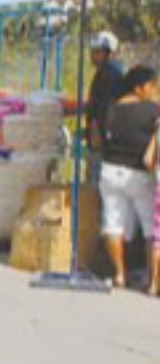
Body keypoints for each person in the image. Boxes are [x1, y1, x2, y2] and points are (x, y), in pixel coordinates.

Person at [100, 65, 159, 289]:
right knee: (150, 228)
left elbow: (100, 138)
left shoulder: (112, 108)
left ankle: (119, 274)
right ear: (139, 87)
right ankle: (152, 278)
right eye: (151, 86)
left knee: (113, 224)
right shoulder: (153, 110)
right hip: (138, 173)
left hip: (110, 170)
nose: (154, 91)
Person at [86, 32, 126, 184]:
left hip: (104, 139)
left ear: (109, 53)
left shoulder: (110, 75)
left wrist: (96, 131)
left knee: (99, 183)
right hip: (103, 137)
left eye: (98, 52)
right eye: (92, 51)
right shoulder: (103, 73)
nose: (93, 55)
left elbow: (107, 106)